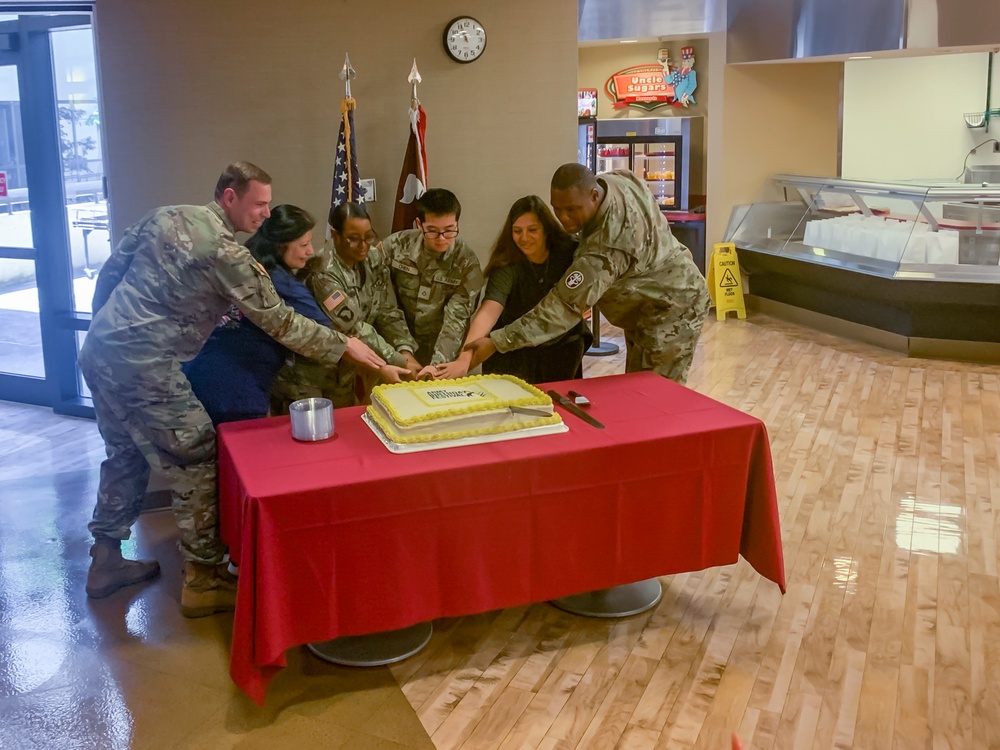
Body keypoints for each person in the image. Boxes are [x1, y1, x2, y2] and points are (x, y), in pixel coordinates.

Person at [79, 162, 385, 617]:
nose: (265, 212)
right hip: (147, 364)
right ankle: (203, 579)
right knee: (198, 451)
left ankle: (104, 561)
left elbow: (110, 273)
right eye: (258, 203)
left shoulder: (165, 215)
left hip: (101, 351)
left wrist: (108, 329)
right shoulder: (227, 254)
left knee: (125, 451)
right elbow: (281, 322)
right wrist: (347, 348)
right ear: (228, 197)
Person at [463, 163, 710, 384]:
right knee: (638, 392)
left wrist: (498, 342)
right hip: (648, 309)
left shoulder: (603, 249)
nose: (563, 218)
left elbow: (562, 308)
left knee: (657, 399)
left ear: (594, 196)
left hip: (671, 310)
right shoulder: (616, 180)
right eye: (557, 209)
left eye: (571, 209)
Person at [182, 205, 341, 424]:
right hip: (235, 389)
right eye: (303, 245)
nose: (311, 251)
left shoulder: (246, 263)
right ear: (279, 246)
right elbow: (323, 329)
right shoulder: (276, 279)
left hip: (200, 373)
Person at [270, 201, 416, 409]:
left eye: (368, 237)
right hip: (307, 377)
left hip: (344, 374)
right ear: (335, 235)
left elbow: (387, 311)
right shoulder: (322, 270)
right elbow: (353, 326)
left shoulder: (373, 259)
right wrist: (400, 362)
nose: (364, 245)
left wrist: (405, 350)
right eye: (354, 239)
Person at [433, 195, 591, 384]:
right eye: (517, 231)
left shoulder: (570, 252)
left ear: (546, 230)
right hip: (513, 351)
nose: (524, 238)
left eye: (532, 230)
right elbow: (489, 311)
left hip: (562, 346)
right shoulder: (507, 262)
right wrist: (465, 357)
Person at [380, 188, 484, 376]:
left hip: (447, 355)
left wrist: (437, 366)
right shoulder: (394, 248)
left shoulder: (466, 261)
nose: (442, 238)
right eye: (433, 231)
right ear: (420, 224)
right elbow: (385, 306)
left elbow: (457, 319)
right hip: (395, 351)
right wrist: (405, 353)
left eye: (449, 230)